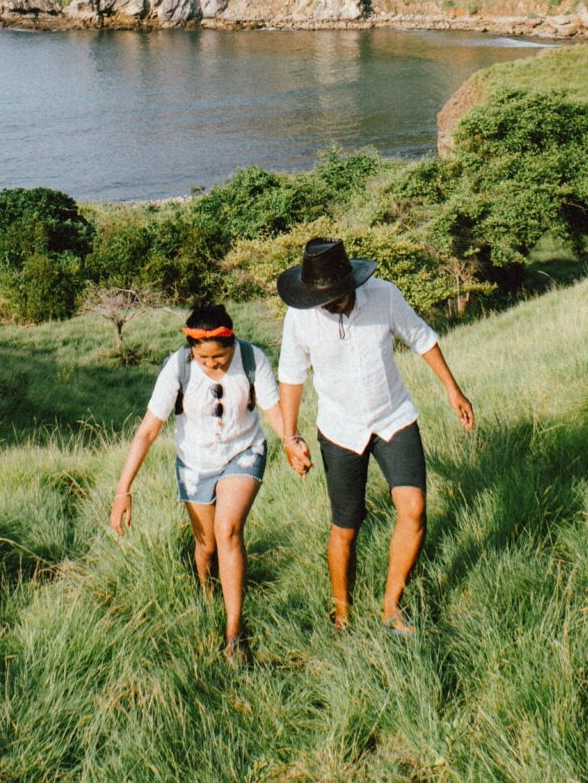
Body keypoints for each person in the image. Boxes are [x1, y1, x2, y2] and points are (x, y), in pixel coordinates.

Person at [274, 236, 474, 634]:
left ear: (351, 283)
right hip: (340, 429)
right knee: (346, 527)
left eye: (334, 295)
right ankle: (342, 616)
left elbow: (421, 337)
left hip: (393, 417)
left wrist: (452, 389)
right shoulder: (300, 316)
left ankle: (391, 606)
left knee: (414, 509)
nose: (327, 304)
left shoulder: (383, 296)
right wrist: (289, 436)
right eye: (320, 298)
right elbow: (292, 376)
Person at [108, 301, 308, 663]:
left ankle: (234, 633)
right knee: (206, 545)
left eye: (219, 359)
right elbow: (148, 431)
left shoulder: (252, 359)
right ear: (192, 352)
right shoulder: (177, 367)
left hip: (243, 451)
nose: (212, 366)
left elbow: (273, 410)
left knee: (228, 530)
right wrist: (124, 490)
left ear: (232, 345)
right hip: (194, 461)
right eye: (204, 360)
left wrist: (291, 442)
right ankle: (206, 591)